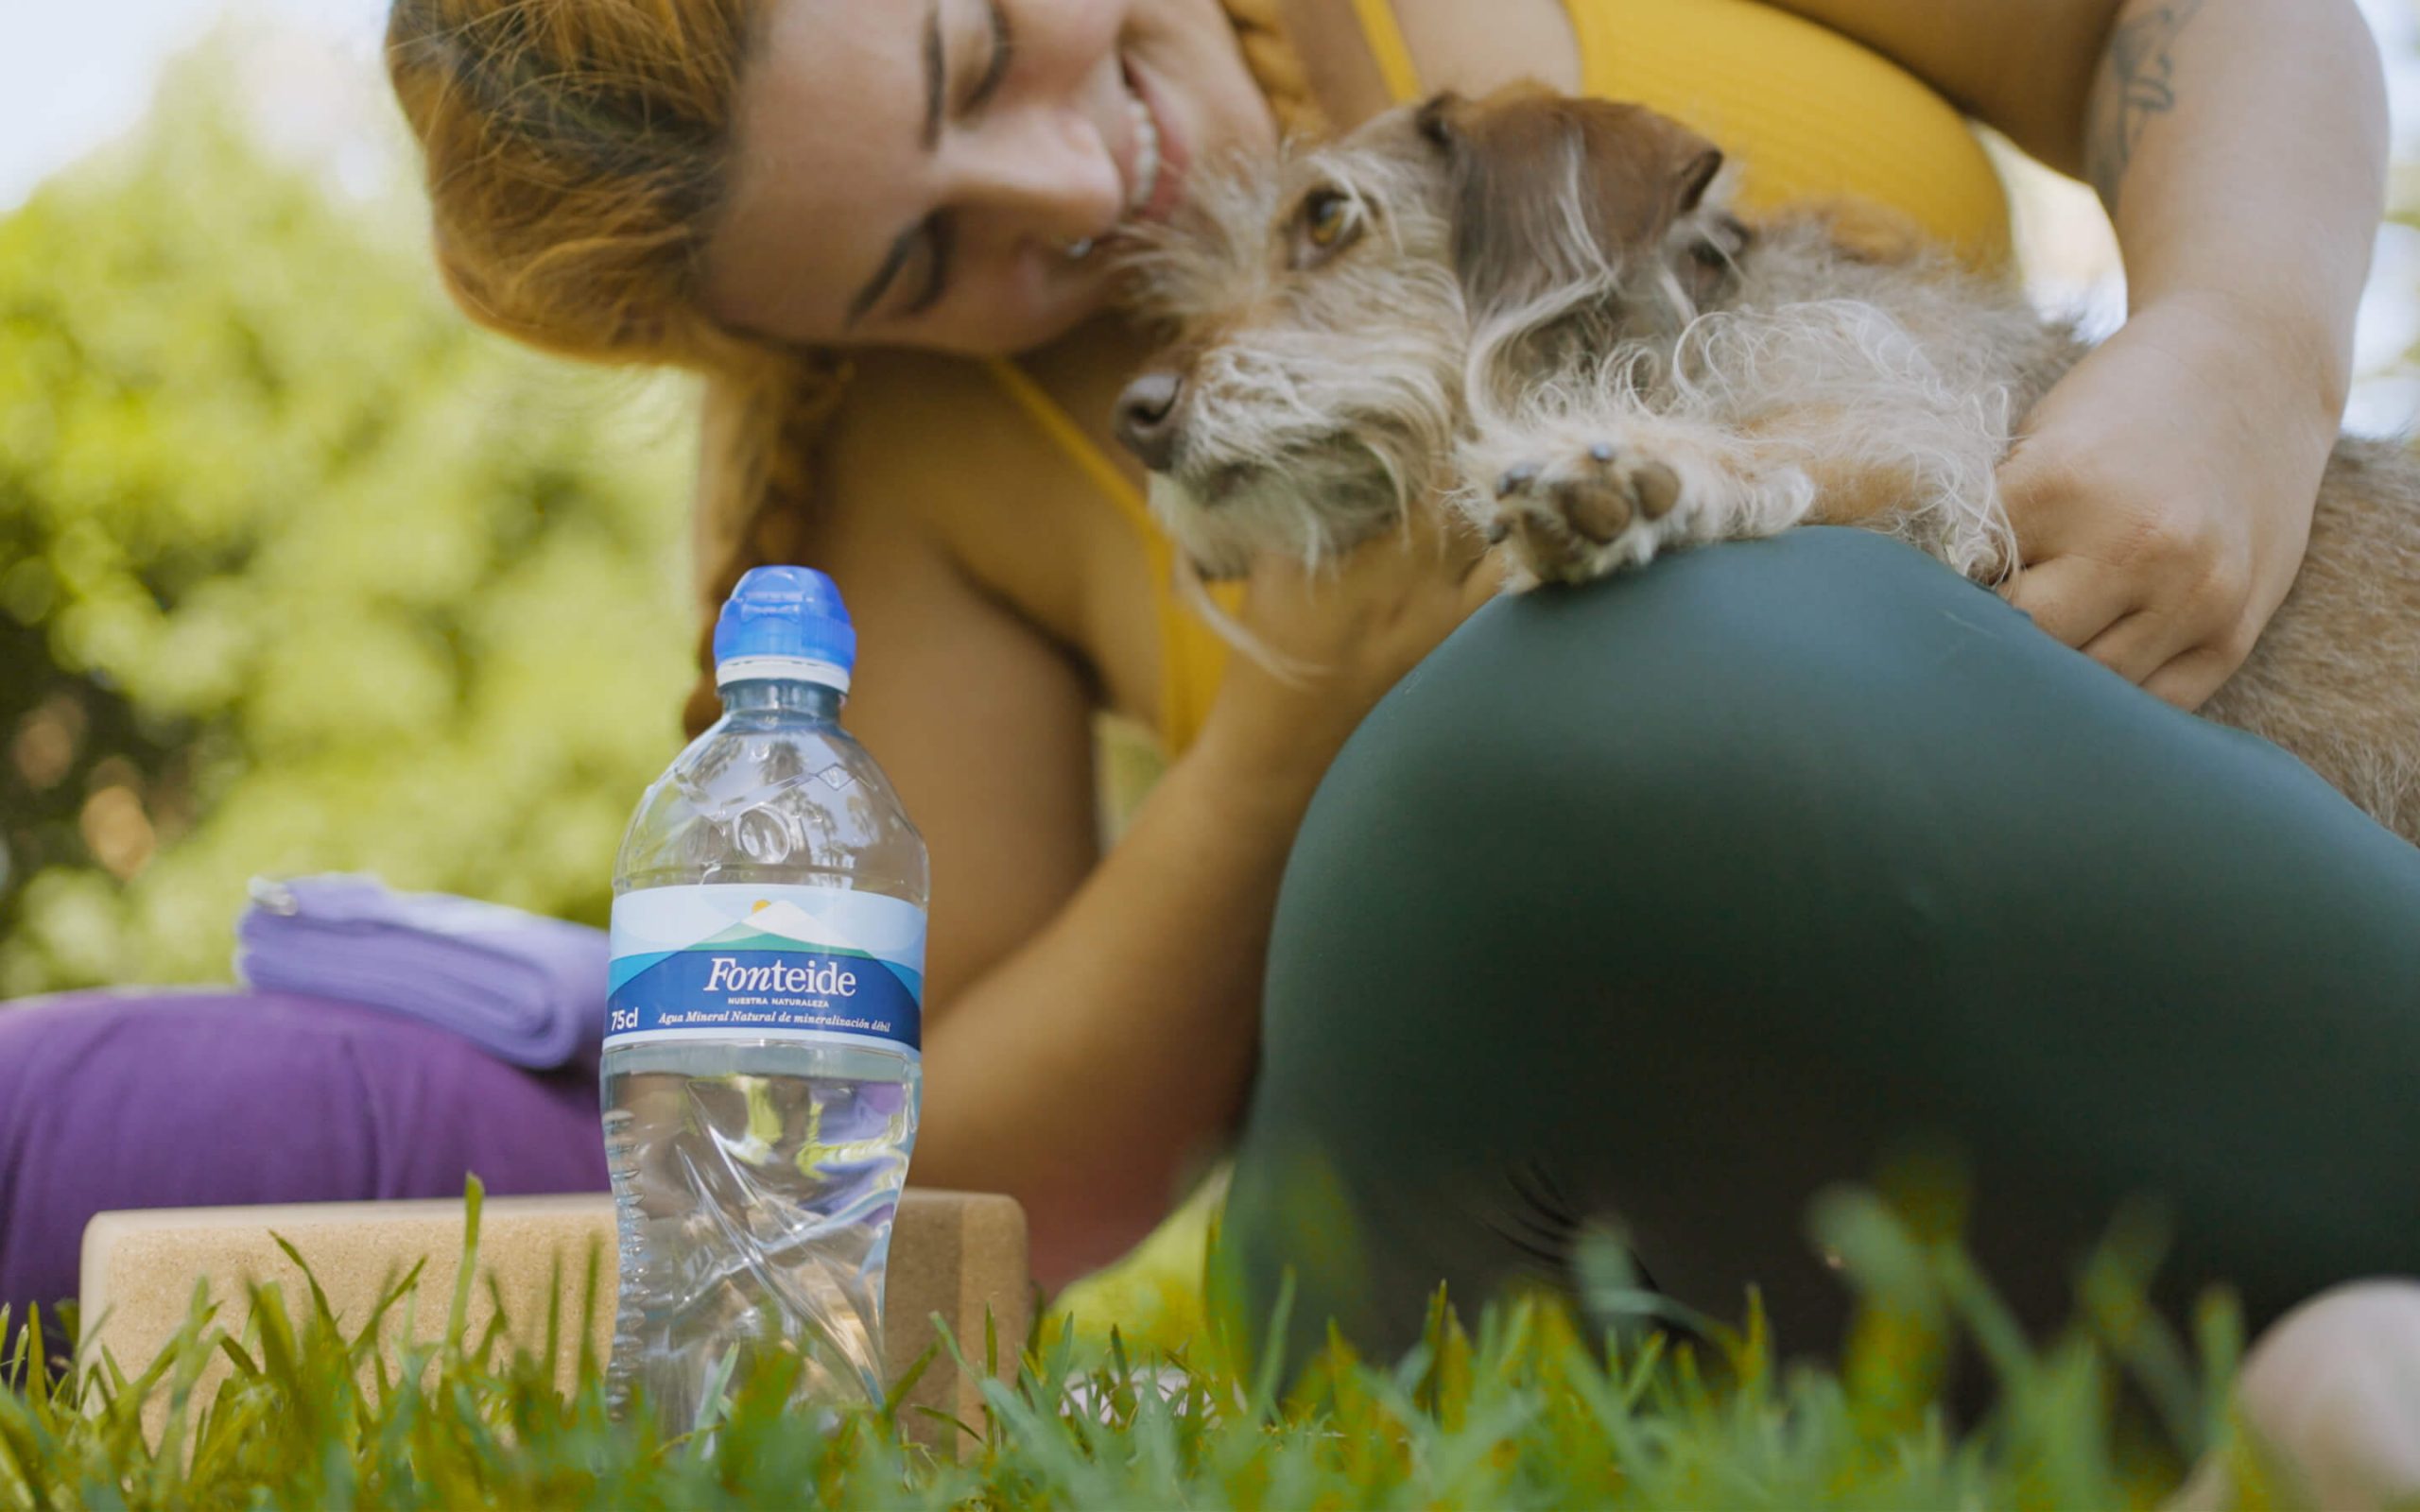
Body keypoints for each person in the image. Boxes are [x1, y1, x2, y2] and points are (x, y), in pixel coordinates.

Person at [8, 0, 2417, 1479]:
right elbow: (969, 1180)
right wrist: (1292, 738)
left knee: (1678, 668)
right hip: (1627, 1206)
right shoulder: (920, 488)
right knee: (1570, 731)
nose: (1068, 192)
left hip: (2179, 905)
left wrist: (2228, 337)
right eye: (910, 263)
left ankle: (2303, 1390)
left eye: (979, 51)